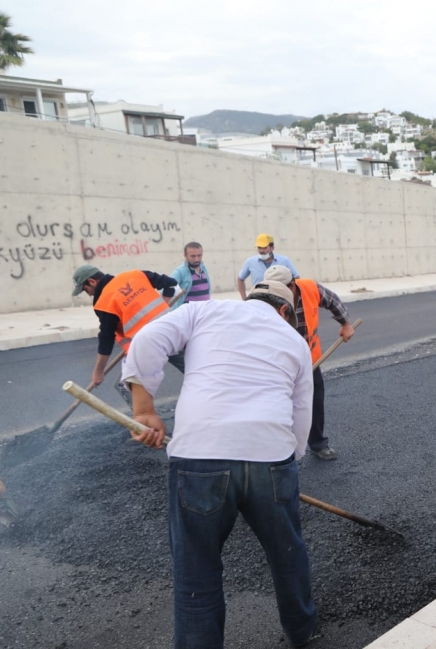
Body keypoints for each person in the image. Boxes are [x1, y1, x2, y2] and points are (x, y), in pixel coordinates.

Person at [124, 279, 317, 649]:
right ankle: (303, 630)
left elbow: (147, 340)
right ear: (284, 311)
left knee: (196, 570)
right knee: (288, 553)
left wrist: (144, 409)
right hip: (270, 458)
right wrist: (288, 466)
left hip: (199, 456)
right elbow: (301, 413)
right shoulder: (294, 340)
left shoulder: (203, 310)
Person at [263, 265, 354, 460]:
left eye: (283, 291)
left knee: (313, 402)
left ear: (293, 285)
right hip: (277, 364)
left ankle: (318, 443)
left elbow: (332, 300)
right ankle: (275, 451)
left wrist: (345, 323)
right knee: (276, 404)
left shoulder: (309, 288)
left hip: (310, 361)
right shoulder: (262, 300)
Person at [71, 264, 184, 407]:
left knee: (126, 384)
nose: (87, 293)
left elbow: (106, 338)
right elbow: (170, 283)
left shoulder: (104, 302)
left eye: (85, 289)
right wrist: (165, 303)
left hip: (148, 344)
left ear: (92, 281)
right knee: (195, 368)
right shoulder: (135, 275)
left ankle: (144, 423)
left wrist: (98, 372)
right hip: (173, 329)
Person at [237, 234, 300, 300]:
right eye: (259, 247)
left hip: (279, 300)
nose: (261, 251)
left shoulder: (284, 261)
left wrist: (293, 298)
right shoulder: (250, 262)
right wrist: (244, 299)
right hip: (257, 299)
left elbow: (297, 278)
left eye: (264, 247)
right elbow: (240, 279)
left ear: (272, 247)